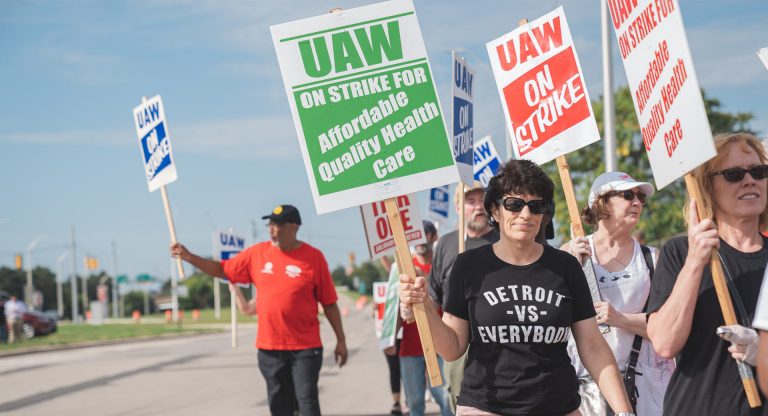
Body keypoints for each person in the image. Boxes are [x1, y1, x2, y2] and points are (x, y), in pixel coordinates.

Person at [400, 160, 634, 416]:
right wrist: (423, 305)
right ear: (495, 210)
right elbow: (452, 347)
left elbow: (592, 345)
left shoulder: (565, 267)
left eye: (536, 206)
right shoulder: (468, 266)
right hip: (486, 407)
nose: (525, 215)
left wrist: (624, 412)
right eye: (514, 204)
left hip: (559, 406)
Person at [171, 204, 347, 416]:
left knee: (307, 402)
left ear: (294, 227)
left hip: (305, 348)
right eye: (270, 224)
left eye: (278, 225)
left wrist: (341, 341)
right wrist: (190, 257)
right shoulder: (256, 254)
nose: (272, 229)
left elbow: (329, 303)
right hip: (270, 349)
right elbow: (223, 270)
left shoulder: (313, 258)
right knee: (279, 407)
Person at [647, 132, 768, 415]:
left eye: (759, 171)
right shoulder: (680, 251)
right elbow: (664, 343)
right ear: (706, 187)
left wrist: (760, 350)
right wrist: (694, 262)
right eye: (733, 174)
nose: (749, 180)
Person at [563, 171, 674, 415]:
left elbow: (669, 328)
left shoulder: (653, 259)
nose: (636, 202)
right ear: (600, 203)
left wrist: (619, 318)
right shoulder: (570, 254)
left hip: (646, 389)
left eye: (640, 198)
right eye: (627, 195)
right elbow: (554, 319)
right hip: (587, 389)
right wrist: (568, 265)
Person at [427, 182, 500, 411]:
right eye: (471, 201)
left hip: (496, 341)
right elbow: (434, 295)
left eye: (482, 200)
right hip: (456, 342)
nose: (479, 207)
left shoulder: (505, 240)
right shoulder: (446, 244)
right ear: (458, 208)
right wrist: (414, 305)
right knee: (459, 404)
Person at [398, 220, 451, 416]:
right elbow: (394, 307)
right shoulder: (403, 267)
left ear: (433, 236)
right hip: (411, 346)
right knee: (415, 402)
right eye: (414, 235)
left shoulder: (442, 263)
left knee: (446, 398)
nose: (419, 239)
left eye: (424, 233)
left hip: (441, 345)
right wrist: (389, 338)